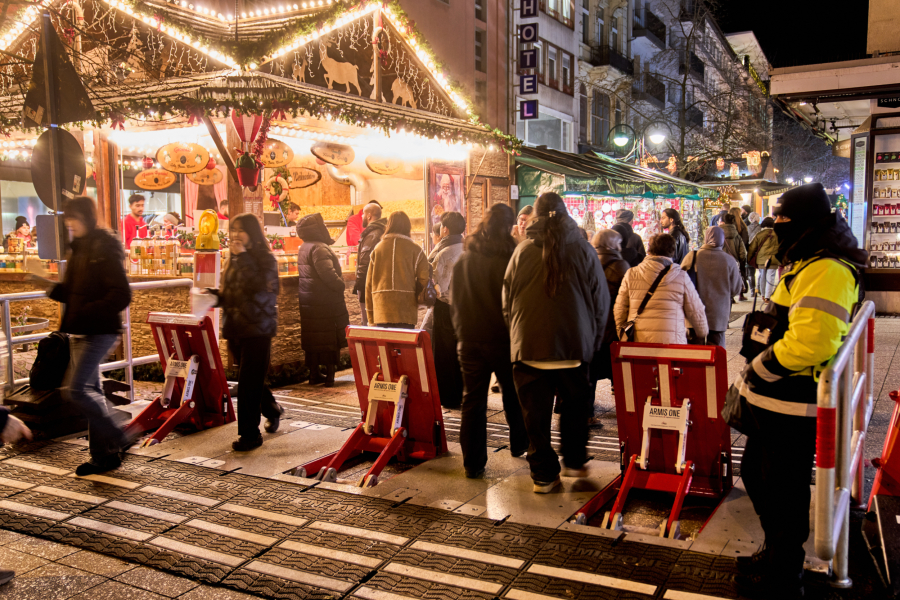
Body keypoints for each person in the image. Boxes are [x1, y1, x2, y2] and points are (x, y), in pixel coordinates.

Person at [734, 183, 867, 598]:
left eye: (782, 220)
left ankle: (782, 575)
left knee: (782, 490)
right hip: (778, 399)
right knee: (757, 475)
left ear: (806, 224)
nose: (776, 228)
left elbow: (813, 342)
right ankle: (776, 553)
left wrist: (759, 368)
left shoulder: (826, 268)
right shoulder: (810, 259)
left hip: (793, 402)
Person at [503, 193, 609, 493]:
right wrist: (592, 340)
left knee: (534, 417)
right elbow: (601, 302)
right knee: (575, 411)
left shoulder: (522, 251)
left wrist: (517, 335)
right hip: (574, 346)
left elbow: (507, 301)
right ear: (566, 215)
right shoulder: (584, 250)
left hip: (528, 347)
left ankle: (544, 477)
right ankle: (574, 462)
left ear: (534, 217)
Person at [33, 197, 132, 475]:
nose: (69, 223)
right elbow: (72, 291)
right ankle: (104, 457)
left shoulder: (104, 247)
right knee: (93, 391)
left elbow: (122, 294)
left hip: (98, 330)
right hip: (79, 330)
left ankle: (120, 435)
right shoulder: (79, 248)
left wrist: (89, 310)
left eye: (73, 218)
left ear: (85, 218)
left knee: (76, 390)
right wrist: (46, 284)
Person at [451, 204, 528, 477]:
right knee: (514, 394)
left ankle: (473, 463)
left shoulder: (465, 259)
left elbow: (455, 301)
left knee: (472, 401)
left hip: (469, 339)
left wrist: (461, 332)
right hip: (503, 339)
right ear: (508, 228)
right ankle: (520, 443)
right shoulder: (510, 258)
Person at [207, 214, 282, 451]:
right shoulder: (235, 259)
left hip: (258, 329)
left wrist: (243, 257)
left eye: (241, 230)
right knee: (252, 380)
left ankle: (250, 434)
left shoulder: (265, 259)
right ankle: (272, 409)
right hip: (236, 328)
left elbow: (261, 287)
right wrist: (212, 296)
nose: (236, 234)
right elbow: (232, 293)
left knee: (248, 383)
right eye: (233, 229)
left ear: (252, 232)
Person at [614, 233, 707, 345]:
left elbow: (620, 308)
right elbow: (695, 310)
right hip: (673, 342)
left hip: (639, 342)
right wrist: (702, 333)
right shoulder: (681, 276)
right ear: (672, 251)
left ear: (649, 250)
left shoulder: (631, 274)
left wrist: (622, 334)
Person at [296, 213, 350, 387]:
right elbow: (327, 275)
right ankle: (329, 376)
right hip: (324, 302)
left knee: (314, 339)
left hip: (310, 300)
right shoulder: (319, 248)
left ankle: (314, 374)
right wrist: (340, 285)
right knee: (328, 339)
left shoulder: (305, 246)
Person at [365, 211, 430, 328]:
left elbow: (369, 285)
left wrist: (370, 317)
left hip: (381, 311)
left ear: (389, 225)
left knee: (384, 346)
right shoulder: (416, 250)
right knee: (404, 345)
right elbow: (424, 279)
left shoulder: (377, 249)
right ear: (408, 227)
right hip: (406, 311)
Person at [680, 228, 742, 348]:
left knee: (694, 352)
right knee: (715, 352)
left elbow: (680, 283)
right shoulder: (729, 260)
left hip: (693, 313)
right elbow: (736, 289)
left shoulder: (692, 256)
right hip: (718, 315)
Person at [431, 211, 466, 408]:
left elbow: (440, 288)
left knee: (445, 354)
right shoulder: (467, 249)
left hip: (445, 309)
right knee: (459, 352)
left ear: (445, 229)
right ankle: (461, 394)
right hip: (464, 309)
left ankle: (449, 398)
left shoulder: (444, 253)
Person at [590, 229, 629, 390]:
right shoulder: (620, 265)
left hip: (591, 322)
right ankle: (623, 407)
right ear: (612, 244)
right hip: (611, 323)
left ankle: (587, 411)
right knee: (618, 369)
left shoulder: (588, 260)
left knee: (591, 370)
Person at [353, 203, 386, 326]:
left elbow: (365, 262)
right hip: (376, 283)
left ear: (369, 215)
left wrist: (360, 286)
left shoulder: (372, 234)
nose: (361, 216)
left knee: (368, 322)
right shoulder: (381, 231)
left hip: (368, 285)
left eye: (363, 214)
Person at [748, 217, 781, 301]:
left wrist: (749, 258)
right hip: (773, 259)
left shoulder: (759, 234)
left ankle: (763, 295)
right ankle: (768, 296)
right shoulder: (777, 234)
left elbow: (752, 248)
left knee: (762, 276)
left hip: (761, 259)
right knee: (771, 277)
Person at [720, 213, 748, 301]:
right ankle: (738, 294)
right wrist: (741, 259)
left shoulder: (718, 234)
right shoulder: (737, 235)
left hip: (721, 260)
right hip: (734, 260)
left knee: (724, 279)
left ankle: (728, 296)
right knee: (735, 277)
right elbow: (742, 252)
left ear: (723, 222)